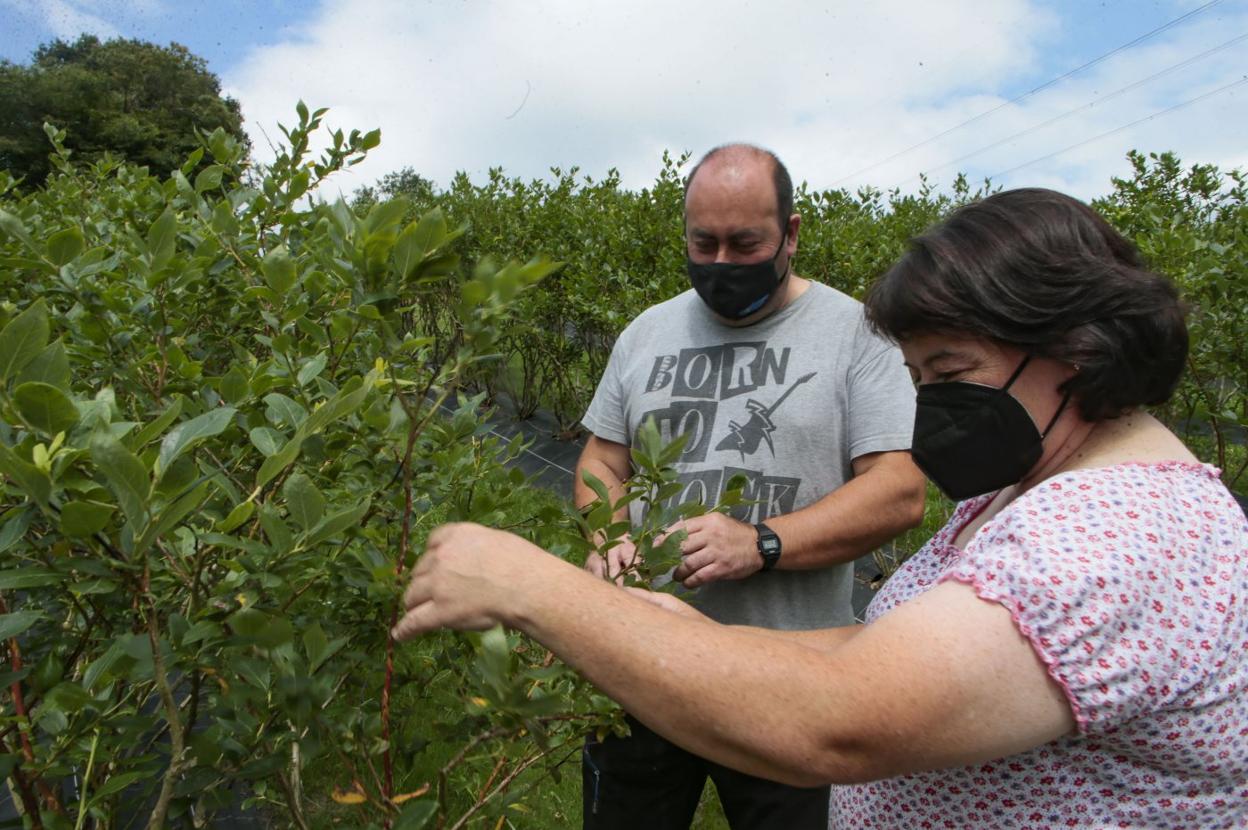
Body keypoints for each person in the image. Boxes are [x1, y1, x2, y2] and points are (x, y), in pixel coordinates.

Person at [393, 188, 1248, 829]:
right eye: (919, 380)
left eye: (949, 375)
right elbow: (888, 647)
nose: (929, 408)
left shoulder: (1111, 538)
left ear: (1081, 352)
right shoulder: (1031, 495)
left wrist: (538, 590)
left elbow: (839, 725)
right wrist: (677, 629)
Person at [572, 143, 926, 827]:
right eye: (703, 244)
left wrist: (762, 542)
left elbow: (898, 488)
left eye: (745, 243)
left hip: (789, 678)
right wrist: (609, 532)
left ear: (790, 234)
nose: (722, 264)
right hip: (644, 666)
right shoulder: (647, 333)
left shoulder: (857, 334)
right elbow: (600, 458)